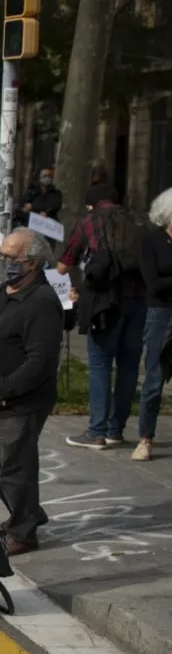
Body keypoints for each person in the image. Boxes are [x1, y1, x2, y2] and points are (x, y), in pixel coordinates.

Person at [0, 229, 62, 556]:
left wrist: (6, 390)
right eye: (1, 256)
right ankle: (28, 514)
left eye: (11, 258)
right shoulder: (4, 292)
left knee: (16, 466)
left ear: (32, 263)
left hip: (17, 403)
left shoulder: (43, 303)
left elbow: (42, 361)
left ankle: (23, 532)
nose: (4, 263)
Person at [60, 182, 148, 450]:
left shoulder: (89, 220)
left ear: (92, 204)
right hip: (138, 301)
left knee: (99, 364)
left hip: (104, 302)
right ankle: (116, 430)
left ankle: (96, 431)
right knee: (129, 367)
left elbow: (64, 264)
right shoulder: (138, 221)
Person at [134, 187, 172, 461]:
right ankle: (145, 438)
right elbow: (153, 284)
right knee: (154, 378)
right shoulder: (152, 241)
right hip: (160, 313)